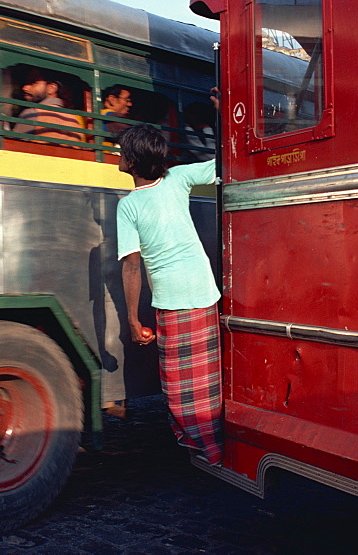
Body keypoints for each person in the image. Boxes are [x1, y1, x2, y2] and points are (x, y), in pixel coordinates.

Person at [116, 123, 223, 465]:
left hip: (173, 299)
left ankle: (203, 448)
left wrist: (132, 319)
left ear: (132, 160)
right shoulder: (177, 178)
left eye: (121, 151)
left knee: (179, 383)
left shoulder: (129, 206)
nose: (118, 155)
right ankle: (215, 443)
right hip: (204, 291)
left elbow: (132, 265)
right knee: (206, 378)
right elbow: (223, 163)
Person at [13, 69, 85, 143]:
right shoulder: (74, 120)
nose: (25, 88)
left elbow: (14, 146)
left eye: (33, 82)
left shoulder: (32, 113)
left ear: (51, 88)